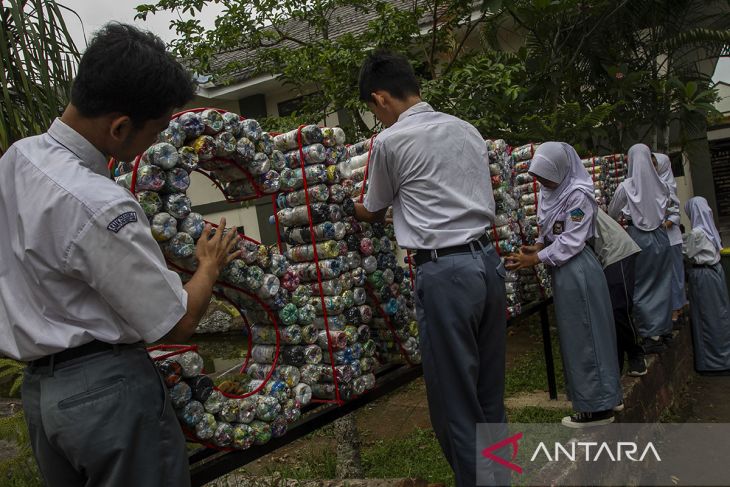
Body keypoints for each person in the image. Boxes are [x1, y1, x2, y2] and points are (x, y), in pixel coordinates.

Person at [0, 24, 239, 487]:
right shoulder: (99, 203)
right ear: (120, 126)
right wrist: (208, 264)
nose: (152, 145)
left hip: (43, 396)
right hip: (105, 394)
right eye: (154, 132)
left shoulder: (17, 159)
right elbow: (177, 322)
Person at [354, 50, 508, 486]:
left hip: (445, 275)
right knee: (490, 397)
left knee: (456, 403)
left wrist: (356, 208)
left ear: (380, 98)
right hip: (488, 265)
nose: (376, 119)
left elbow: (372, 206)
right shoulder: (466, 129)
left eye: (372, 110)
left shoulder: (390, 142)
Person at [506, 142, 622, 428]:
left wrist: (537, 259)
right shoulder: (551, 192)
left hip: (577, 267)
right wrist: (536, 248)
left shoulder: (578, 195)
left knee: (587, 336)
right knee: (579, 336)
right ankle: (602, 397)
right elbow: (549, 230)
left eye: (547, 175)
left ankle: (598, 408)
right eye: (539, 176)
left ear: (563, 169)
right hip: (563, 268)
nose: (543, 182)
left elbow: (572, 240)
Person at [607, 144, 672, 354]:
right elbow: (669, 207)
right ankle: (662, 329)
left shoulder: (626, 186)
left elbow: (612, 213)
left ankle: (649, 333)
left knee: (641, 284)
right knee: (662, 281)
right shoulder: (662, 185)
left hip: (638, 238)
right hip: (662, 237)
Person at [683, 197, 730, 375]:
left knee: (707, 317)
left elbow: (685, 253)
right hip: (715, 275)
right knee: (719, 316)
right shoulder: (710, 230)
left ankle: (713, 363)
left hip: (704, 277)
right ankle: (723, 358)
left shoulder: (697, 233)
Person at [653, 152, 686, 330]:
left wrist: (662, 225)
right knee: (668, 276)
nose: (653, 168)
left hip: (670, 237)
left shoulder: (668, 185)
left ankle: (676, 311)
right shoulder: (655, 184)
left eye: (655, 164)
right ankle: (676, 309)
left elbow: (675, 215)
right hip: (662, 238)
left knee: (675, 275)